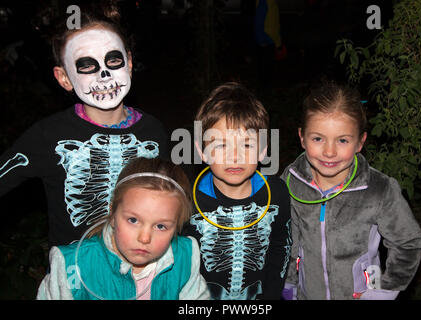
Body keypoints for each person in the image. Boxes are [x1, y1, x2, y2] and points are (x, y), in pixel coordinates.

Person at [0, 2, 169, 248]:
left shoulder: (154, 132)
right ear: (64, 78)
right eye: (87, 65)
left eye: (113, 60)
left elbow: (168, 204)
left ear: (129, 63)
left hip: (142, 275)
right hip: (75, 278)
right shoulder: (49, 135)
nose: (104, 75)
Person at [281, 81, 421, 300]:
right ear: (302, 137)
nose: (329, 151)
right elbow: (287, 239)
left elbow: (408, 242)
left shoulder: (379, 189)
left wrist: (383, 291)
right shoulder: (291, 182)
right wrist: (288, 284)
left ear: (360, 142)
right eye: (318, 138)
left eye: (343, 140)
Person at [37, 157, 210, 300]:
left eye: (160, 226)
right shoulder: (73, 265)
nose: (144, 238)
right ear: (113, 213)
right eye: (133, 220)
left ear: (176, 227)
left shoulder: (185, 257)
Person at [183, 82, 292, 300]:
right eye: (221, 145)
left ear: (262, 150)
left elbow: (281, 247)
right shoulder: (187, 201)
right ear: (201, 152)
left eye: (247, 145)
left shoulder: (278, 192)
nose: (235, 156)